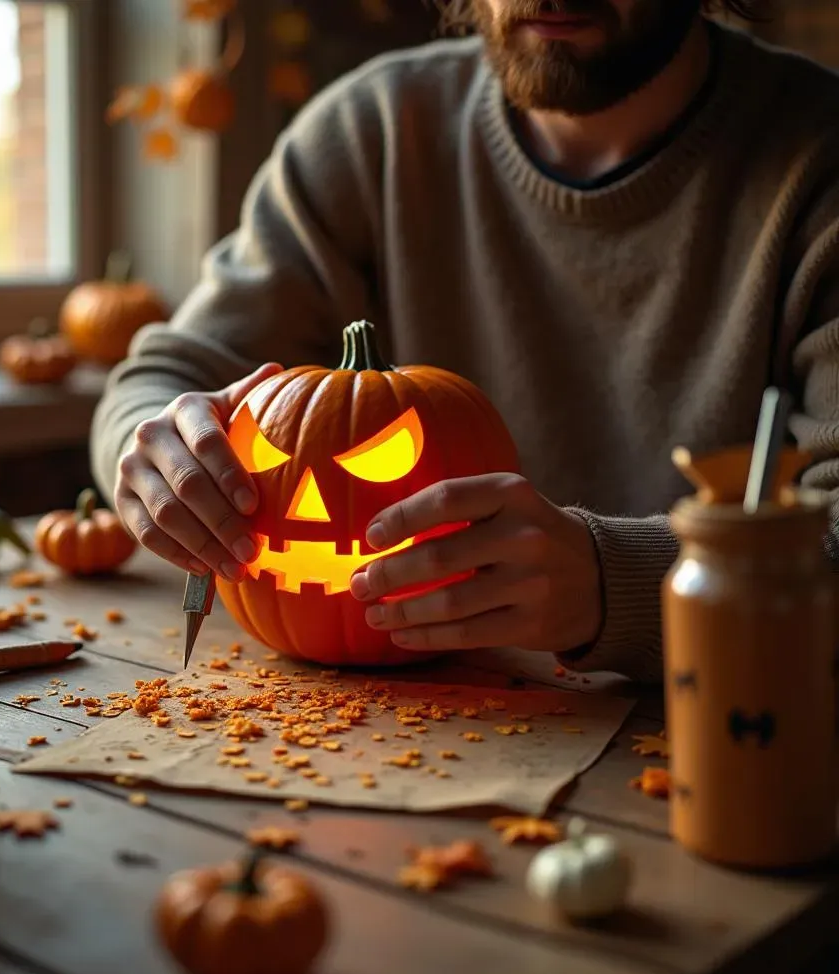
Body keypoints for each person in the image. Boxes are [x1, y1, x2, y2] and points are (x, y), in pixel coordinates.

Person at [91, 0, 839, 685]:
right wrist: (162, 458)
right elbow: (165, 375)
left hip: (739, 735)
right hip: (407, 731)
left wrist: (617, 584)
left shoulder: (818, 163)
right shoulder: (372, 131)